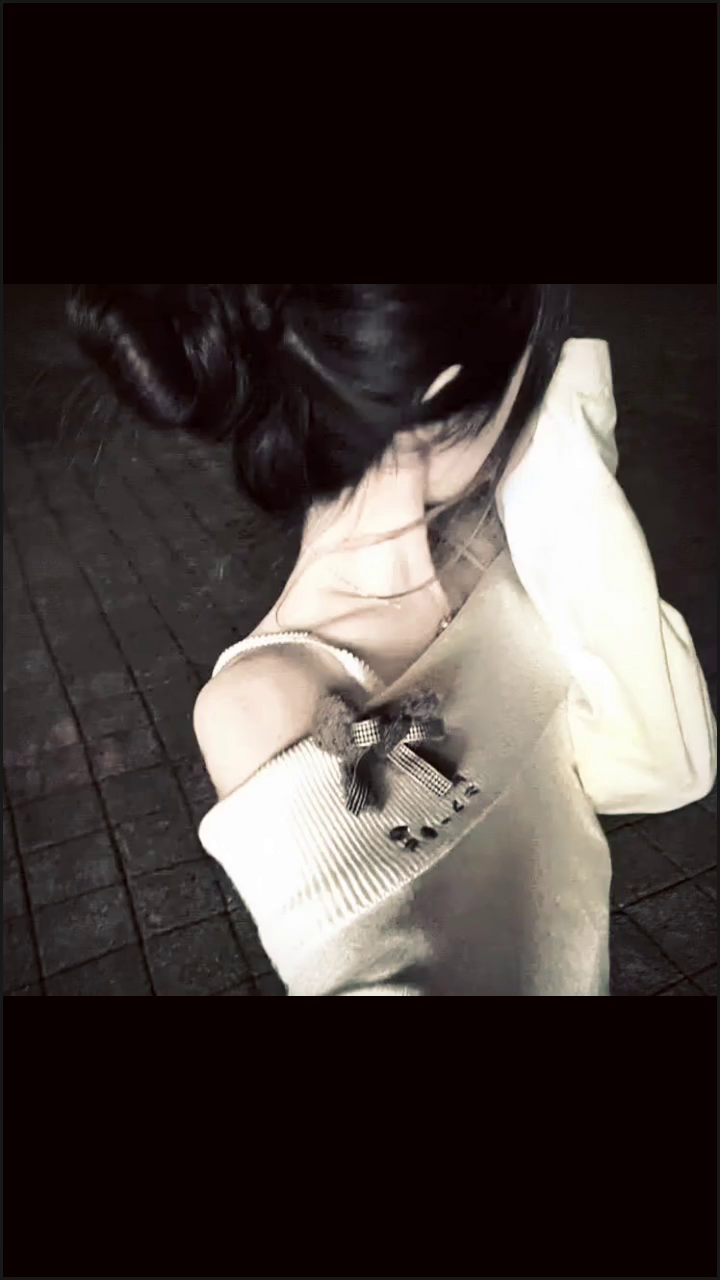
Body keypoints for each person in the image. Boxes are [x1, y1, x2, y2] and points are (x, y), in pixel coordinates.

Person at [67, 284, 717, 996]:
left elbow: (661, 766)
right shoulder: (266, 706)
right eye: (527, 364)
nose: (532, 389)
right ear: (438, 396)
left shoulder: (518, 538)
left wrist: (565, 484)